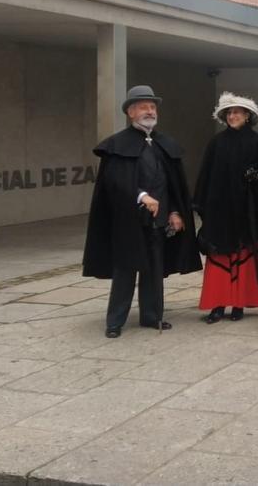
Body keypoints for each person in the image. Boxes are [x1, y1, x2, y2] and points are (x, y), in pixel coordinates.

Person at [82, 85, 200, 338]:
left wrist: (176, 212)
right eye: (144, 107)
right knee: (125, 271)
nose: (150, 111)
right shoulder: (117, 145)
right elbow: (114, 183)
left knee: (154, 271)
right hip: (129, 221)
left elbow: (175, 185)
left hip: (159, 221)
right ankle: (115, 321)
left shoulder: (164, 144)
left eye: (152, 107)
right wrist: (142, 196)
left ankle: (152, 315)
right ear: (131, 113)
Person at [195, 93, 258, 323]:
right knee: (220, 257)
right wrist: (201, 205)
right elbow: (205, 175)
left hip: (247, 211)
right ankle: (217, 305)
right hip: (220, 211)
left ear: (247, 116)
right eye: (230, 113)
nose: (233, 116)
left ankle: (239, 304)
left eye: (237, 112)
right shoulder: (216, 142)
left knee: (243, 255)